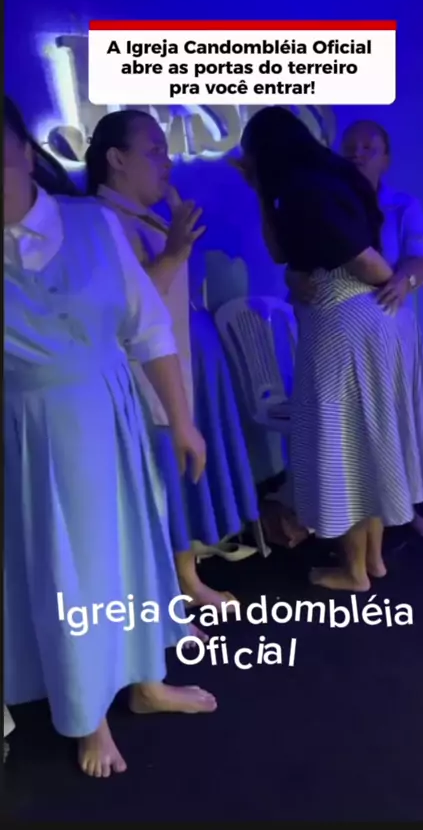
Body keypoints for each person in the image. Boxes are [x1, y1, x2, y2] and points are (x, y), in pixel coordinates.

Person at [4, 96, 216, 780]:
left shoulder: (91, 223)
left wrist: (182, 420)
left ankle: (147, 681)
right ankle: (87, 712)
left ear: (24, 152)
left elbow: (147, 326)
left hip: (109, 415)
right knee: (65, 568)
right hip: (30, 435)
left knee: (133, 549)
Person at [234, 107, 423, 592]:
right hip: (371, 325)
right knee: (369, 444)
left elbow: (362, 259)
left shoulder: (305, 189)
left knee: (344, 448)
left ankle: (354, 570)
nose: (356, 153)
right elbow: (283, 254)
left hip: (343, 324)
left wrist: (388, 281)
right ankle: (371, 560)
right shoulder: (328, 179)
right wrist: (262, 192)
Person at [85, 109, 255, 612]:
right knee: (155, 490)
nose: (167, 161)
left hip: (169, 377)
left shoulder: (144, 217)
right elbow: (129, 311)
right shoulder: (100, 222)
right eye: (154, 150)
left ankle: (186, 581)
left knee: (174, 485)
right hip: (140, 385)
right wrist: (176, 250)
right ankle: (167, 596)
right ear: (117, 159)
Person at [341, 119, 423, 537]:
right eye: (350, 146)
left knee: (396, 422)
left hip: (390, 327)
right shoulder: (329, 204)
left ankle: (403, 506)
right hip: (345, 333)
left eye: (368, 147)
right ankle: (362, 517)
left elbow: (419, 258)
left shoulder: (403, 206)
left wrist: (404, 280)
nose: (357, 153)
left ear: (386, 158)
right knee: (358, 432)